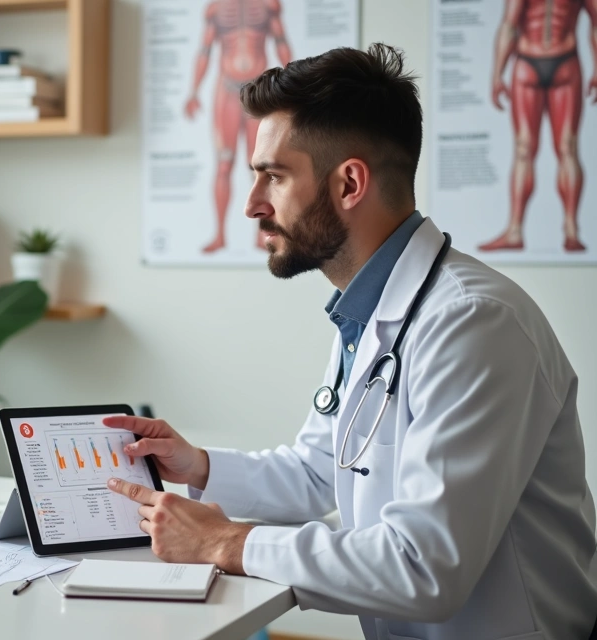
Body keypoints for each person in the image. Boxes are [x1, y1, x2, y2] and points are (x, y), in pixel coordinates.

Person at [107, 44, 597, 639]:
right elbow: (321, 471)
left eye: (273, 176)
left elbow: (423, 567)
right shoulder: (374, 308)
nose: (252, 205)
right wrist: (198, 465)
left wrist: (226, 542)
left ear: (349, 183)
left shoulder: (473, 323)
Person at [482, 0, 596, 252]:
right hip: (527, 62)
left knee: (568, 147)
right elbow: (509, 25)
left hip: (566, 62)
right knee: (524, 148)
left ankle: (571, 229)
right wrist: (497, 74)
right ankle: (514, 231)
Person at [184, 0, 293, 254]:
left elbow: (281, 42)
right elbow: (204, 50)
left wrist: (294, 88)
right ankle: (220, 235)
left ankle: (262, 235)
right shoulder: (216, 8)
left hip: (258, 92)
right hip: (227, 92)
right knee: (224, 163)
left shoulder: (268, 5)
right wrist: (194, 91)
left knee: (259, 167)